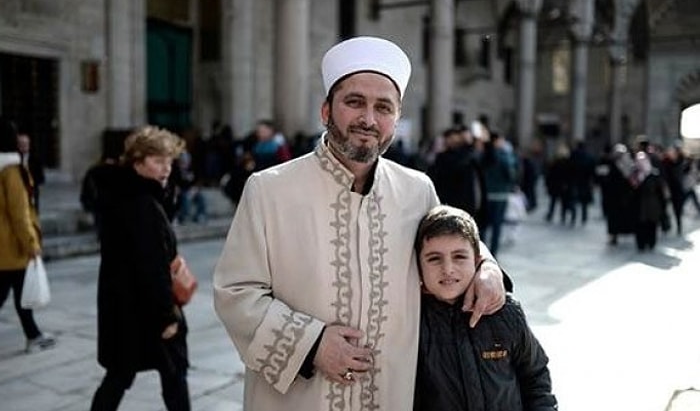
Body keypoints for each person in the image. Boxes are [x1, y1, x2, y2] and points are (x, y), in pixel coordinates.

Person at [213, 36, 508, 411]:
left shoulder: (417, 190)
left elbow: (452, 244)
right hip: (299, 398)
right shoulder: (269, 190)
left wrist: (487, 267)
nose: (369, 119)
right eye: (355, 102)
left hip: (389, 394)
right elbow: (236, 292)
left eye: (383, 107)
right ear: (326, 111)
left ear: (396, 120)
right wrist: (313, 344)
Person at [413, 205, 557, 411]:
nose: (448, 269)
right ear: (418, 267)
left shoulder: (506, 313)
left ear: (478, 261)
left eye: (459, 257)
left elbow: (535, 375)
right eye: (434, 259)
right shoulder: (413, 320)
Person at [90, 126, 191, 411]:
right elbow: (152, 266)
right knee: (173, 373)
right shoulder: (141, 205)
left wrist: (165, 191)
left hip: (125, 306)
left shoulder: (125, 194)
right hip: (146, 308)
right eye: (158, 161)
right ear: (137, 163)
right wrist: (166, 317)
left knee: (122, 374)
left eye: (169, 161)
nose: (166, 168)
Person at [0, 118, 56, 353]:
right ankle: (33, 337)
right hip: (14, 246)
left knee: (16, 291)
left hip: (5, 245)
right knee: (18, 292)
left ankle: (33, 335)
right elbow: (20, 213)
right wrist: (32, 243)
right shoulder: (12, 172)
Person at [17, 131, 44, 211]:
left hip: (32, 190)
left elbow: (40, 176)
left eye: (25, 144)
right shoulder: (15, 159)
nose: (23, 146)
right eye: (21, 144)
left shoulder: (35, 159)